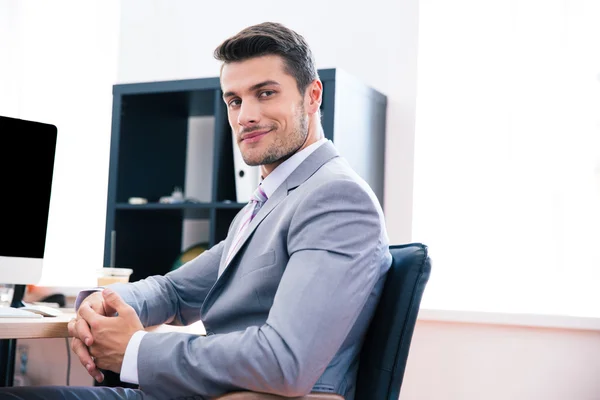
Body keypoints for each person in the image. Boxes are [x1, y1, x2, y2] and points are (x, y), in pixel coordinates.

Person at [1, 22, 391, 400]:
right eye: (234, 100)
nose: (245, 116)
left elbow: (284, 360)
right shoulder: (270, 202)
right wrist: (104, 305)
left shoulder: (335, 198)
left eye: (266, 93)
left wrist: (133, 349)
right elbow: (175, 291)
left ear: (313, 95)